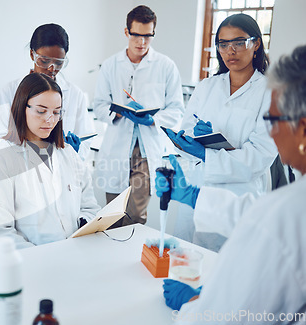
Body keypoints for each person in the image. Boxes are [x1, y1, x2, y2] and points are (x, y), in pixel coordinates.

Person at [158, 45, 306, 323]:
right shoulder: (291, 206)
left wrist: (192, 303)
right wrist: (192, 196)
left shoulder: (290, 211)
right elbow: (258, 218)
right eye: (223, 44)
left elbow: (229, 315)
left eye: (272, 120)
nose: (271, 131)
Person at [164, 13, 277, 251]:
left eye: (239, 42)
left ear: (256, 44)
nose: (230, 51)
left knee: (224, 270)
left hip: (238, 197)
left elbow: (260, 156)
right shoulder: (207, 86)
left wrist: (209, 154)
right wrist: (187, 141)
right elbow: (185, 134)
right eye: (223, 44)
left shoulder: (270, 92)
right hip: (196, 189)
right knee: (184, 262)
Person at [0, 73, 100, 250]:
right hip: (29, 264)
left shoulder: (68, 154)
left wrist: (82, 228)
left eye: (57, 112)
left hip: (74, 255)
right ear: (21, 107)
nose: (50, 119)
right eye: (41, 111)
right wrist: (46, 257)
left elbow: (90, 207)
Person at [93, 5, 184, 226]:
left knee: (136, 217)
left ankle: (131, 258)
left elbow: (176, 109)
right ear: (126, 32)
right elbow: (98, 105)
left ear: (153, 33)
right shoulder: (110, 65)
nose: (141, 42)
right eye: (136, 35)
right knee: (112, 216)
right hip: (117, 146)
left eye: (147, 36)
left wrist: (153, 119)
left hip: (147, 150)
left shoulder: (166, 66)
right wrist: (117, 113)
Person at [0, 23, 95, 160]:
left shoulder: (75, 94)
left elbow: (86, 140)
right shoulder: (10, 91)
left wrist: (70, 152)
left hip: (61, 172)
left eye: (58, 63)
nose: (51, 68)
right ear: (32, 54)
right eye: (44, 61)